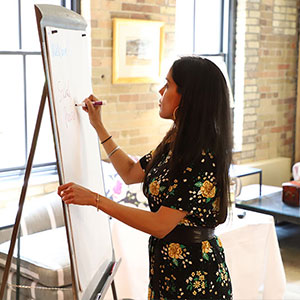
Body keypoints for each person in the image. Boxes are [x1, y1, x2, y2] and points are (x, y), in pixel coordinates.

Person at [58, 56, 233, 299]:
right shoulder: (176, 141)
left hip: (195, 275)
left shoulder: (202, 155)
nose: (160, 91)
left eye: (168, 85)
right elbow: (130, 172)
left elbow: (159, 225)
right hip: (168, 268)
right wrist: (98, 126)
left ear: (188, 96)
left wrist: (96, 200)